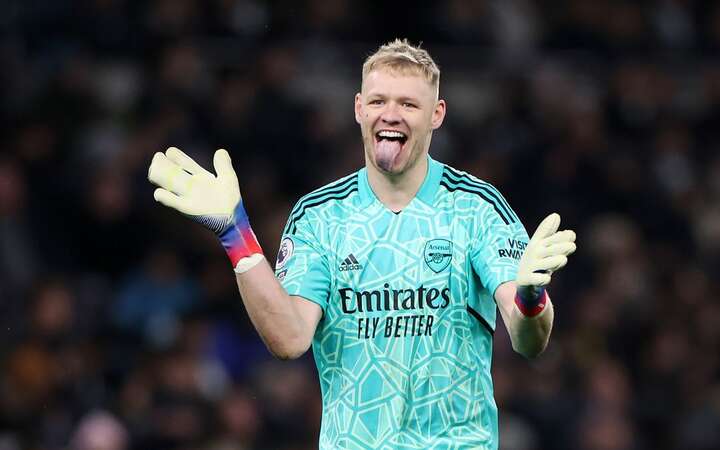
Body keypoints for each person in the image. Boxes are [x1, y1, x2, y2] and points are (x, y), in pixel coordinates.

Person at [147, 39, 577, 450]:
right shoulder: (319, 217)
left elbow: (527, 338)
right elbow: (288, 338)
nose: (391, 114)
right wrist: (235, 234)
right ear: (358, 109)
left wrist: (532, 295)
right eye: (378, 101)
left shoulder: (476, 208)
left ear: (436, 114)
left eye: (408, 104)